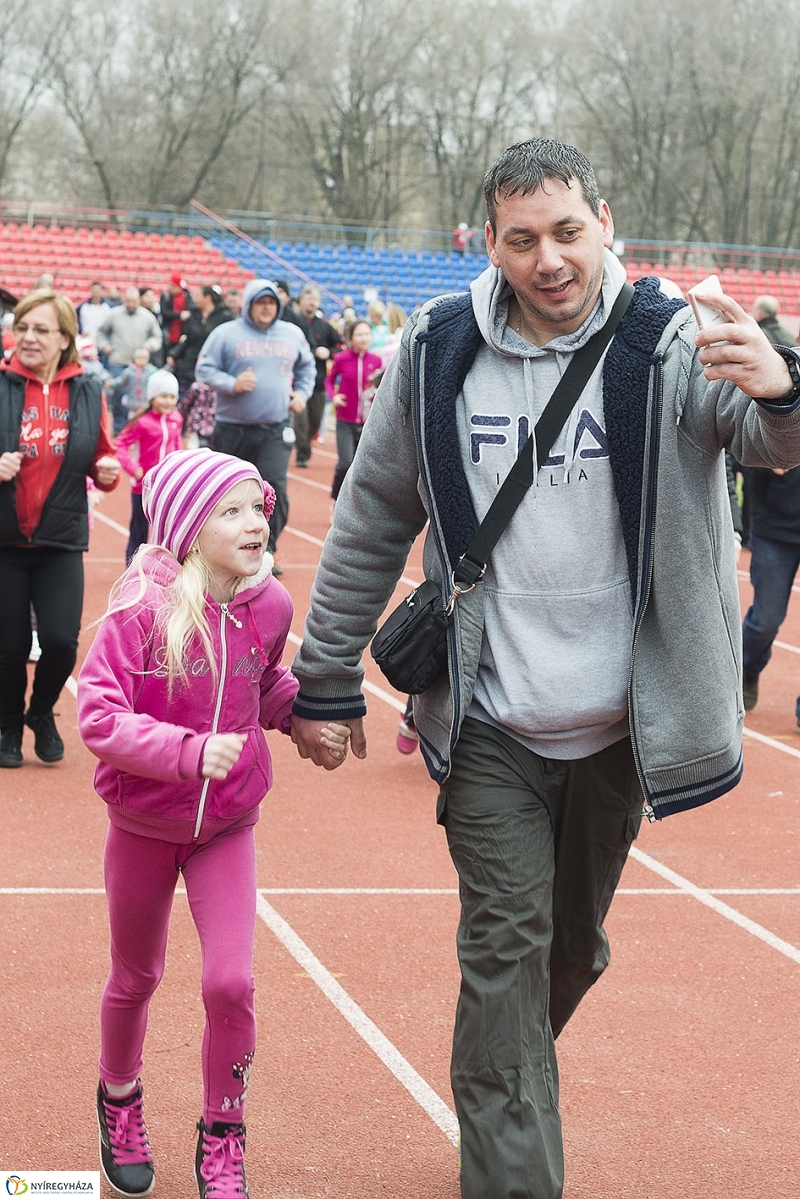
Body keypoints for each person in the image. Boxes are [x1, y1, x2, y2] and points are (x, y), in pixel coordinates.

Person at [289, 138, 800, 1199]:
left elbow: (757, 436)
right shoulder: (434, 350)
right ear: (488, 243)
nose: (548, 259)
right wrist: (327, 672)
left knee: (562, 954)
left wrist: (783, 391)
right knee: (504, 947)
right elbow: (372, 513)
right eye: (520, 239)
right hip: (491, 720)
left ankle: (500, 1067)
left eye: (566, 231)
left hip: (621, 723)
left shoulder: (665, 342)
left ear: (603, 220)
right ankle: (512, 1163)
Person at [76, 447, 352, 1199]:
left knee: (231, 981)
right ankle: (120, 1097)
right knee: (138, 974)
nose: (255, 522)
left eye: (258, 507)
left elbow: (261, 682)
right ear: (188, 529)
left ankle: (223, 1132)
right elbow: (97, 715)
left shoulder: (269, 605)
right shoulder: (140, 609)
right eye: (230, 511)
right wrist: (187, 752)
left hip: (226, 824)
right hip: (142, 821)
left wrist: (304, 719)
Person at [0, 287, 119, 769]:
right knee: (7, 647)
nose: (27, 337)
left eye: (40, 329)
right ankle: (8, 724)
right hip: (5, 538)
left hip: (61, 537)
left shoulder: (88, 390)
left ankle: (41, 712)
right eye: (22, 327)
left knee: (62, 641)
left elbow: (101, 453)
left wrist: (107, 469)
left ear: (65, 338)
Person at [195, 279, 315, 571]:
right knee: (227, 493)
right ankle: (224, 551)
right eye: (260, 302)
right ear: (249, 304)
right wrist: (231, 383)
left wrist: (301, 393)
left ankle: (265, 551)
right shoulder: (225, 334)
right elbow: (204, 369)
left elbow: (307, 367)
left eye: (271, 303)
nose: (266, 308)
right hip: (231, 428)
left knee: (274, 488)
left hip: (274, 427)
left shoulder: (292, 334)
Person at [740, 462, 800, 720]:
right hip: (774, 527)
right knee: (766, 621)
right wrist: (766, 463)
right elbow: (738, 451)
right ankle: (748, 666)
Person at [114, 369, 184, 563]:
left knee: (167, 529)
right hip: (143, 487)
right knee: (139, 529)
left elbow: (177, 445)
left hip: (168, 486)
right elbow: (120, 445)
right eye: (163, 396)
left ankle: (163, 569)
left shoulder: (176, 419)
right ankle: (132, 569)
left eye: (172, 397)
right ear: (152, 397)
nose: (168, 401)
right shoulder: (141, 422)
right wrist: (132, 467)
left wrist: (180, 466)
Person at [326, 319, 382, 502]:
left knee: (363, 467)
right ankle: (336, 499)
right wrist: (333, 396)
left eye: (367, 334)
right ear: (350, 337)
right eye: (359, 334)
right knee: (345, 464)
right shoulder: (341, 359)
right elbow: (329, 380)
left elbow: (380, 387)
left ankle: (355, 505)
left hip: (368, 422)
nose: (364, 338)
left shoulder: (376, 360)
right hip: (345, 420)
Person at [289, 285, 343, 467]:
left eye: (314, 299)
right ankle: (302, 454)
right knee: (300, 421)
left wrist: (327, 352)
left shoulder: (325, 327)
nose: (311, 303)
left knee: (315, 421)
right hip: (297, 381)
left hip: (318, 382)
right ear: (301, 300)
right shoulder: (293, 324)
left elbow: (340, 346)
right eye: (308, 299)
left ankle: (305, 444)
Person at [98, 288, 163, 433]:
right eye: (128, 301)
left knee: (139, 396)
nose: (131, 304)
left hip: (140, 363)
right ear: (124, 299)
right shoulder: (114, 314)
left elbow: (157, 337)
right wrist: (104, 346)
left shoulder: (147, 317)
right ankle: (119, 427)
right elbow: (101, 332)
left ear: (139, 300)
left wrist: (150, 345)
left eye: (134, 301)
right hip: (118, 360)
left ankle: (138, 426)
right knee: (119, 395)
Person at [168, 285, 232, 398]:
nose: (194, 299)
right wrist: (173, 354)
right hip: (191, 366)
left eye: (197, 296)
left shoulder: (225, 317)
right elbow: (187, 339)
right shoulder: (192, 315)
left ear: (208, 297)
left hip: (214, 367)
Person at [160, 272, 195, 356]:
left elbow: (190, 312)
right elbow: (164, 313)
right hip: (169, 332)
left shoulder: (188, 297)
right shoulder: (166, 297)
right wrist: (179, 315)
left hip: (182, 332)